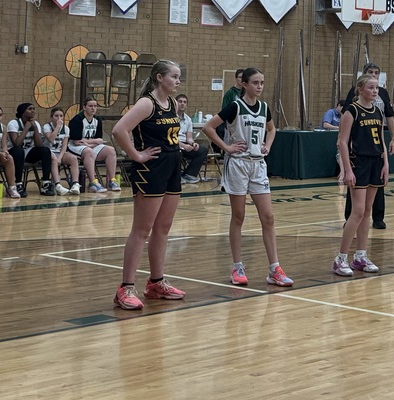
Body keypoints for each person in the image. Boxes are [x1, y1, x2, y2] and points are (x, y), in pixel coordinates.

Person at [203, 67, 293, 288]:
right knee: (239, 217)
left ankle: (274, 269)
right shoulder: (235, 106)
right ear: (244, 84)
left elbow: (272, 130)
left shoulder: (264, 107)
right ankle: (237, 266)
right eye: (255, 83)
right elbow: (208, 127)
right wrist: (226, 147)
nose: (259, 86)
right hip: (238, 165)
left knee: (268, 217)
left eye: (262, 82)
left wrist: (268, 146)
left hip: (258, 165)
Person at [112, 60, 187, 310]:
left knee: (163, 228)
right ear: (159, 77)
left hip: (172, 167)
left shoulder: (173, 103)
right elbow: (119, 130)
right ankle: (126, 287)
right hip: (150, 170)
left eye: (179, 77)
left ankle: (156, 282)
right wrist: (137, 155)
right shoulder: (147, 103)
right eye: (174, 77)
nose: (178, 81)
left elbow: (168, 136)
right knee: (141, 230)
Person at [333, 74, 390, 277]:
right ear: (360, 90)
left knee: (367, 211)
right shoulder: (351, 111)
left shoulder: (377, 111)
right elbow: (342, 141)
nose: (375, 91)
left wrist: (385, 163)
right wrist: (347, 169)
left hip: (375, 162)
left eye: (377, 88)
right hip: (359, 163)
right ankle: (340, 258)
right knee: (357, 212)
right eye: (371, 87)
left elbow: (382, 139)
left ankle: (360, 256)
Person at [341, 62, 394, 230]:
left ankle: (377, 220)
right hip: (359, 155)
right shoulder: (353, 106)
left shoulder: (382, 99)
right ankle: (349, 223)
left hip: (376, 154)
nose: (373, 75)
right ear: (360, 89)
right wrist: (345, 168)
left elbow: (389, 117)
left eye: (376, 72)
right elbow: (343, 135)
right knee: (357, 199)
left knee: (372, 200)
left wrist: (393, 138)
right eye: (370, 72)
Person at [68, 98, 119, 193]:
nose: (93, 108)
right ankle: (93, 182)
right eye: (90, 106)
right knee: (88, 151)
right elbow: (77, 141)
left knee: (111, 150)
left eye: (95, 106)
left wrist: (88, 143)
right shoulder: (77, 120)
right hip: (74, 147)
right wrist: (93, 142)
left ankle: (112, 181)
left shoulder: (97, 120)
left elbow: (100, 139)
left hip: (89, 146)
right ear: (84, 107)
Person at [8, 103, 58, 197]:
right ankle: (18, 184)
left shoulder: (36, 124)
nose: (33, 111)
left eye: (34, 109)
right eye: (30, 109)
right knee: (19, 151)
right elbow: (17, 144)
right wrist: (26, 129)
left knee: (45, 150)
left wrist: (35, 128)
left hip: (27, 151)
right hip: (13, 152)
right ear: (23, 111)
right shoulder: (13, 123)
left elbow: (39, 145)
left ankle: (45, 184)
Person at [43, 108, 80, 194]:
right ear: (51, 117)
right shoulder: (47, 127)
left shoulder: (66, 128)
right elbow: (51, 139)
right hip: (48, 152)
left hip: (59, 152)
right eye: (56, 116)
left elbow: (64, 145)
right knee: (54, 159)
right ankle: (58, 185)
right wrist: (58, 127)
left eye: (61, 116)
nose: (59, 118)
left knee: (73, 158)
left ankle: (75, 184)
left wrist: (60, 157)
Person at [175, 93, 207, 184]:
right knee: (177, 151)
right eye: (180, 101)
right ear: (175, 103)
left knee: (202, 150)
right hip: (172, 143)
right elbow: (169, 137)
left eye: (185, 102)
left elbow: (189, 138)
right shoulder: (170, 117)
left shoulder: (188, 119)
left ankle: (189, 174)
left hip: (184, 143)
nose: (182, 104)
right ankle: (176, 176)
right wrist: (183, 146)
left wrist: (193, 144)